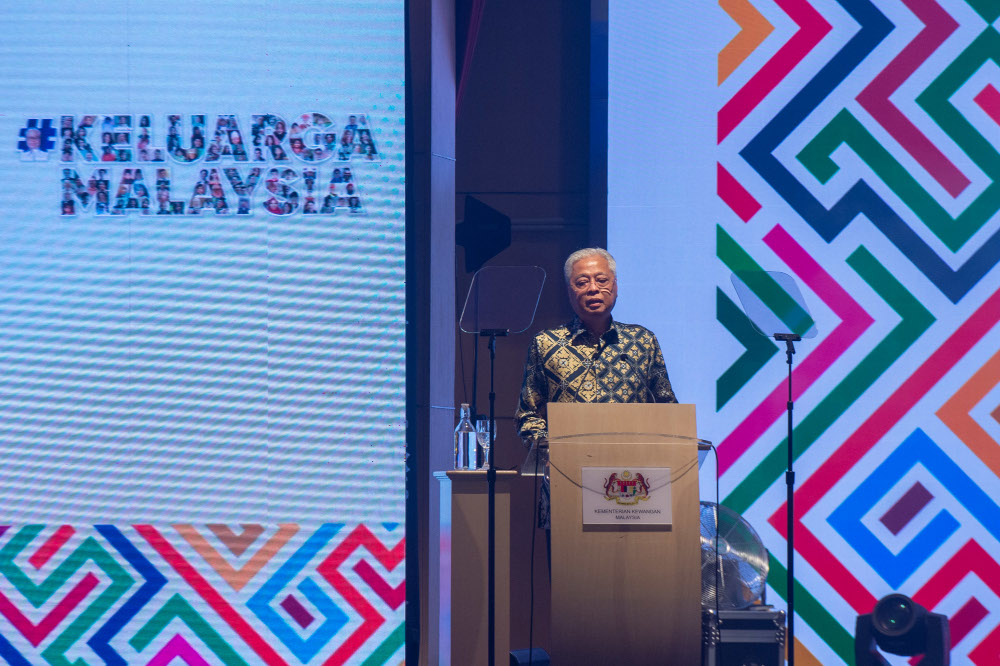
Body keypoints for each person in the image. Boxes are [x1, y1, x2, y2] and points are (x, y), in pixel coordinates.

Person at [515, 247, 676, 528]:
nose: (593, 289)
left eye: (601, 280)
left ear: (615, 286)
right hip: (568, 479)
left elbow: (668, 410)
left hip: (634, 483)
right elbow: (527, 415)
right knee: (571, 571)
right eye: (582, 282)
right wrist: (548, 453)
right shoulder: (546, 344)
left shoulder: (642, 342)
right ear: (569, 291)